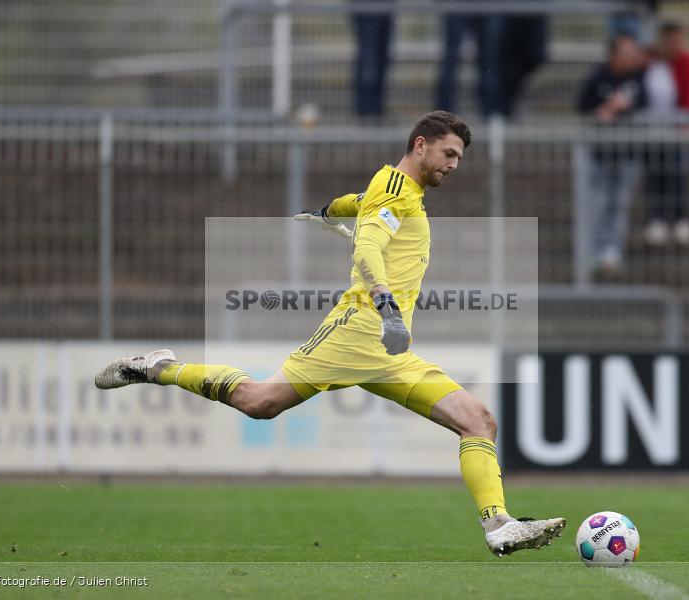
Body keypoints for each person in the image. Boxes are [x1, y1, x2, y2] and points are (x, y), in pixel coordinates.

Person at [95, 111, 566, 557]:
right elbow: (369, 247)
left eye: (459, 157)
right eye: (448, 153)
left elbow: (358, 205)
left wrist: (325, 211)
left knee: (478, 420)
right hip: (360, 330)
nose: (454, 164)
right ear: (420, 145)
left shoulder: (394, 191)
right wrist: (386, 307)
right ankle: (160, 367)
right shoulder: (396, 187)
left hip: (389, 350)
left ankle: (498, 525)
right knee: (259, 402)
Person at [578, 35, 648, 273]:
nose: (630, 58)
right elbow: (584, 109)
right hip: (601, 155)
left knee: (619, 205)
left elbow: (644, 108)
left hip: (627, 155)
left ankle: (612, 251)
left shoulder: (638, 79)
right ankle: (592, 251)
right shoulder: (598, 78)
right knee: (598, 204)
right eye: (625, 53)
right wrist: (607, 110)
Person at [642, 21, 689, 247]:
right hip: (651, 131)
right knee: (655, 175)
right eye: (670, 40)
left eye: (678, 40)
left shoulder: (687, 62)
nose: (674, 45)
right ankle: (656, 220)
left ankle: (680, 220)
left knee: (676, 175)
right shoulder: (650, 61)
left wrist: (687, 122)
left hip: (676, 131)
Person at [434, 2, 506, 116]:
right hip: (458, 6)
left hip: (486, 7)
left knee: (489, 60)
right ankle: (442, 115)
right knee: (452, 58)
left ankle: (492, 113)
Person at [352, 0, 394, 117]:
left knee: (382, 58)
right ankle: (366, 112)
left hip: (386, 6)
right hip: (366, 6)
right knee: (369, 59)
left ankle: (376, 111)